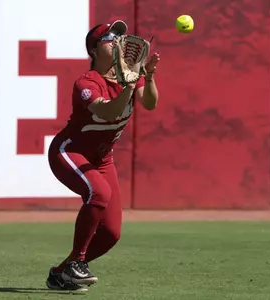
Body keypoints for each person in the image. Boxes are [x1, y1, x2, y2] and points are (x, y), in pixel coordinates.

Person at [45, 20, 160, 292]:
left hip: (102, 159)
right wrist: (130, 85)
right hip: (70, 151)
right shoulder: (87, 82)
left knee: (110, 234)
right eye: (110, 38)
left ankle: (61, 274)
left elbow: (151, 104)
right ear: (94, 50)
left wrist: (148, 77)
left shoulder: (131, 75)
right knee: (98, 193)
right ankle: (77, 263)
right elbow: (107, 112)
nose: (118, 41)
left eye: (120, 36)